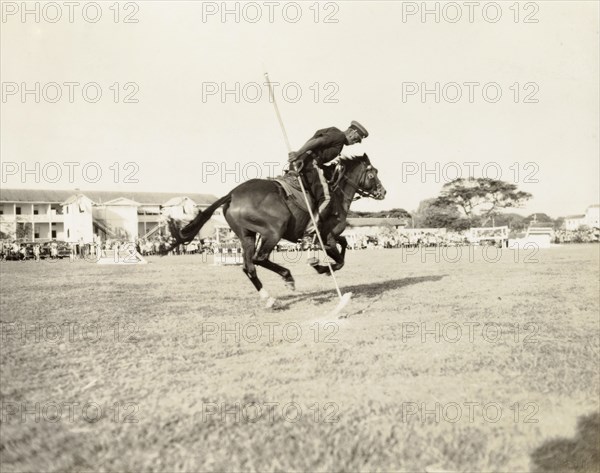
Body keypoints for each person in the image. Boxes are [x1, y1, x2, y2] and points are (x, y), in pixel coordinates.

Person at [287, 121, 369, 236]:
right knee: (327, 198)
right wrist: (298, 153)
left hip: (304, 162)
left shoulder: (334, 134)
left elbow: (314, 141)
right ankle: (310, 230)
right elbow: (317, 141)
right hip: (310, 165)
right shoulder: (339, 136)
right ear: (352, 132)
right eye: (356, 139)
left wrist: (300, 156)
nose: (355, 143)